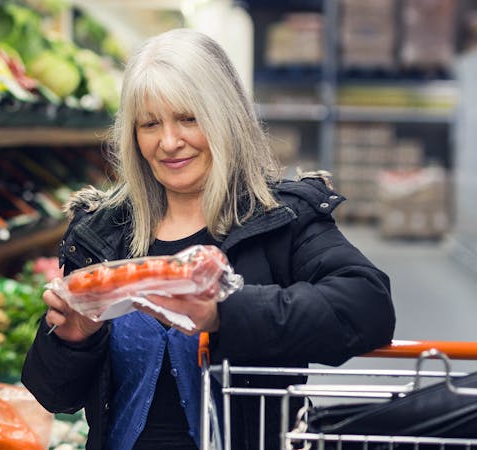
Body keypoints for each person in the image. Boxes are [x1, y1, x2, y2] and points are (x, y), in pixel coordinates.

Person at [22, 28, 395, 450]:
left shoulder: (279, 219)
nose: (168, 142)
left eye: (188, 118)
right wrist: (72, 338)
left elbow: (367, 307)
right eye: (149, 124)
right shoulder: (102, 233)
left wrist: (223, 312)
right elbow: (54, 394)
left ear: (224, 117)